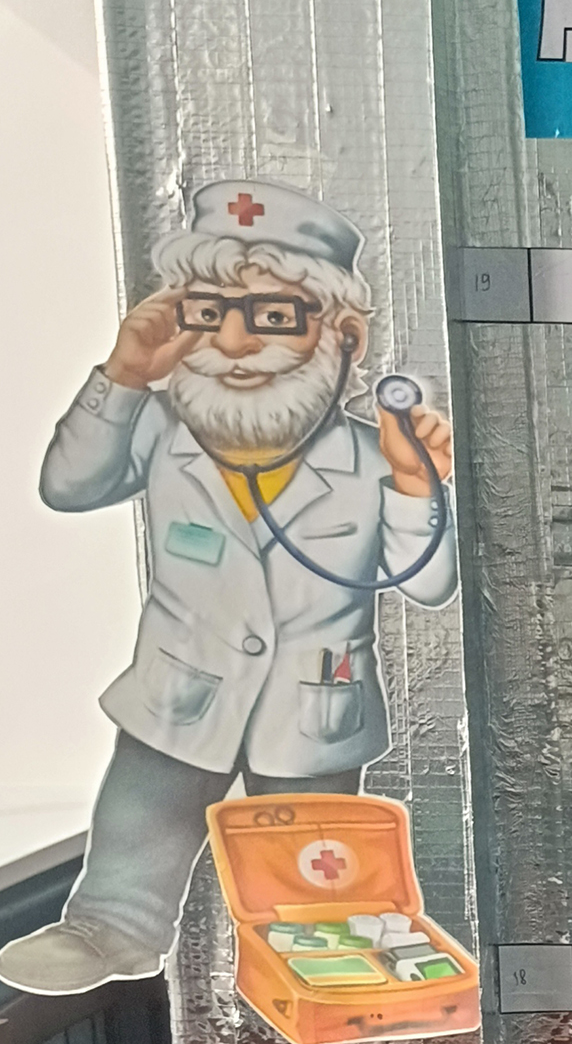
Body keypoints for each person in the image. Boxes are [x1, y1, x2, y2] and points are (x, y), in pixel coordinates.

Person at [3, 178, 457, 994]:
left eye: (275, 316)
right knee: (141, 817)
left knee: (315, 870)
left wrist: (414, 484)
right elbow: (67, 488)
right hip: (177, 695)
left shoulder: (368, 458)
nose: (239, 343)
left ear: (343, 334)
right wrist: (124, 374)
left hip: (312, 710)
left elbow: (427, 586)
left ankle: (321, 960)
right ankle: (113, 927)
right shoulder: (158, 428)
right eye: (210, 314)